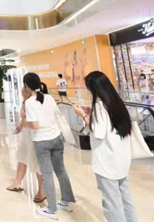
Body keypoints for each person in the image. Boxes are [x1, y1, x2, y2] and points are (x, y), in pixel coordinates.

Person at [74, 71, 137, 222]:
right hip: (121, 159)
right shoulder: (116, 103)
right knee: (125, 197)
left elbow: (98, 133)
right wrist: (92, 113)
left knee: (111, 202)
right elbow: (108, 123)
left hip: (107, 162)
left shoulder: (99, 106)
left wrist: (83, 115)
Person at [23, 72, 75, 219]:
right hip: (57, 137)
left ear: (26, 86)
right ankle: (66, 201)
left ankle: (52, 209)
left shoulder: (29, 102)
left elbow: (35, 125)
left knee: (47, 174)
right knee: (61, 170)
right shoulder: (49, 98)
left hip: (42, 141)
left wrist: (25, 123)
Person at [7, 84, 46, 203]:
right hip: (28, 134)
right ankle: (17, 182)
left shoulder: (31, 102)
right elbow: (24, 119)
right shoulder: (29, 101)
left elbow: (27, 119)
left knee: (36, 162)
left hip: (34, 134)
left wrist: (22, 124)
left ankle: (42, 190)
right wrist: (20, 127)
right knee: (22, 158)